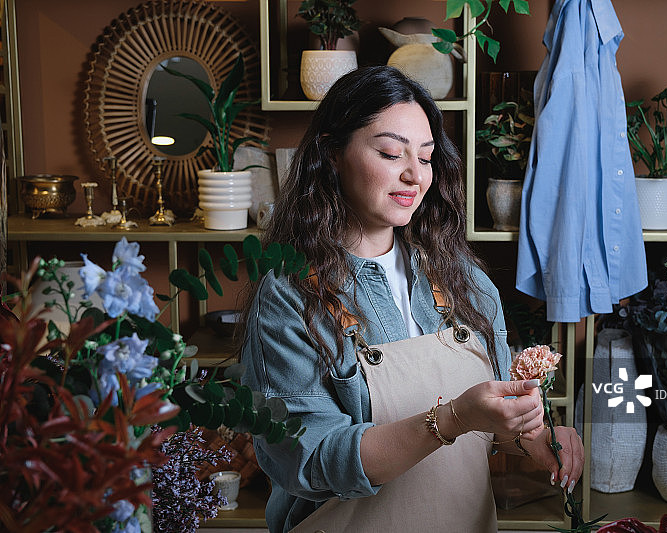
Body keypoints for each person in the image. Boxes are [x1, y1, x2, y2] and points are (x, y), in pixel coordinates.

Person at [238, 65, 584, 533]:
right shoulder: (288, 295)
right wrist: (453, 417)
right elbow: (310, 459)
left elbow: (496, 424)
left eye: (425, 157)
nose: (413, 175)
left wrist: (535, 437)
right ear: (332, 154)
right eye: (390, 152)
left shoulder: (464, 280)